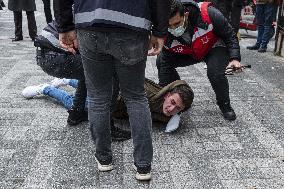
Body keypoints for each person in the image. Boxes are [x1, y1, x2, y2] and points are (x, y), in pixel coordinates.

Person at [53, 0, 171, 181]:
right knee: (135, 97)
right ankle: (143, 165)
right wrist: (160, 31)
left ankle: (104, 158)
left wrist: (64, 26)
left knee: (98, 96)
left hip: (90, 22)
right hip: (133, 23)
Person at [32, 20, 131, 141]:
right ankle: (107, 129)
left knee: (89, 70)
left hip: (44, 55)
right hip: (57, 56)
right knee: (110, 74)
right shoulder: (96, 9)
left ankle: (75, 114)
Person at [156, 0, 243, 121]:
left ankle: (225, 105)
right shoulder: (162, 30)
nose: (173, 29)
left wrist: (234, 58)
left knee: (215, 73)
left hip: (213, 47)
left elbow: (230, 35)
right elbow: (165, 63)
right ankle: (180, 94)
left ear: (185, 14)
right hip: (190, 52)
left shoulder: (210, 14)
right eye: (169, 26)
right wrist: (163, 95)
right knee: (161, 60)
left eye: (176, 24)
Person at [22, 78, 194, 129]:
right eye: (172, 102)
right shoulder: (148, 94)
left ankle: (67, 80)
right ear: (168, 94)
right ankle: (45, 88)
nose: (171, 109)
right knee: (74, 104)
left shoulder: (169, 112)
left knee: (87, 87)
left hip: (113, 103)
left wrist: (176, 116)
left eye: (177, 108)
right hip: (110, 97)